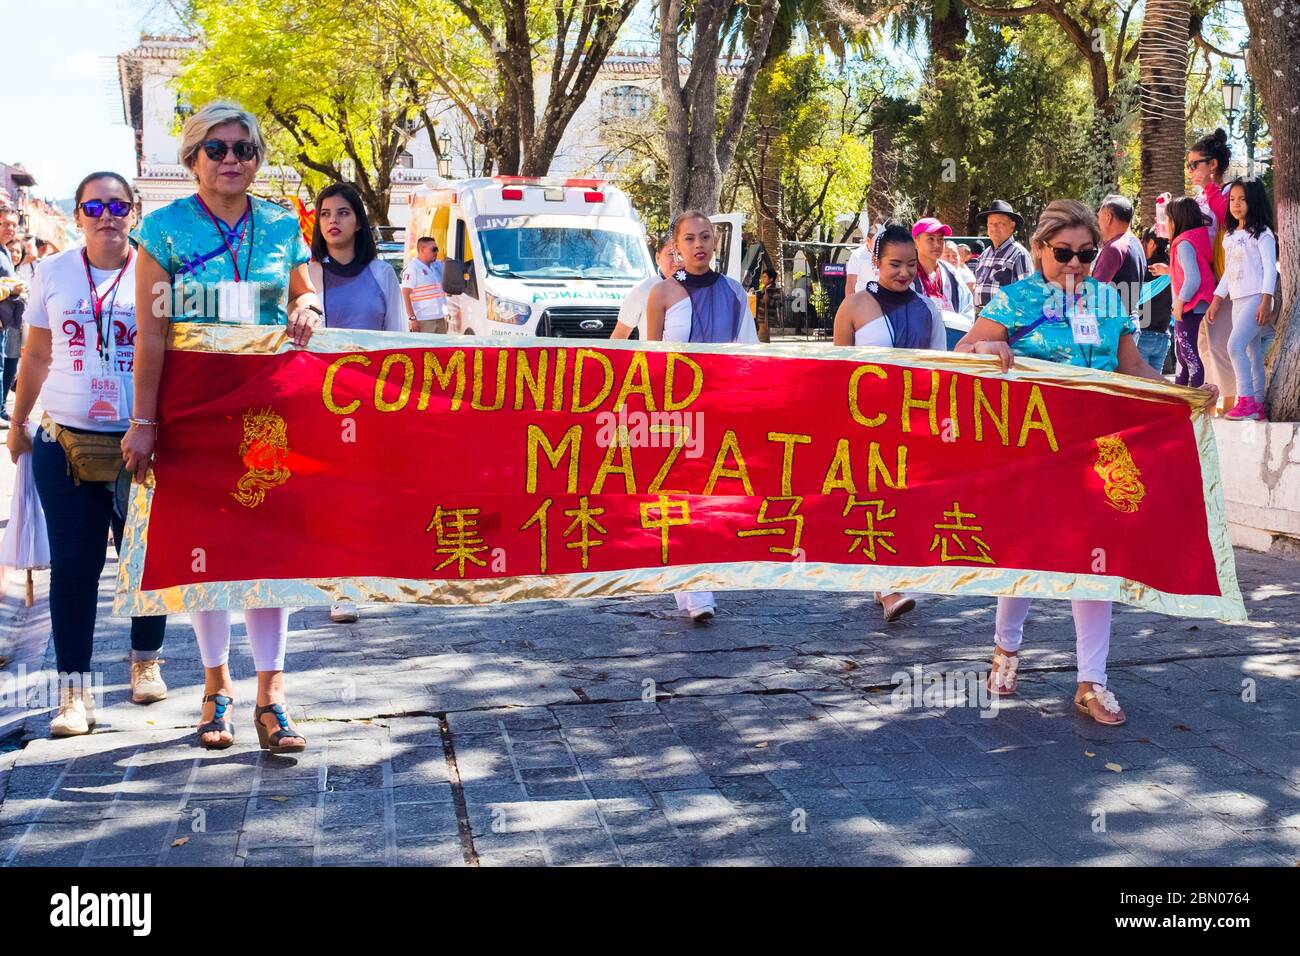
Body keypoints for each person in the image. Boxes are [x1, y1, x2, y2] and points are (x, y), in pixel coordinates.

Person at [954, 199, 1217, 726]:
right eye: (1062, 254)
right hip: (1033, 456)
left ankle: (1092, 682)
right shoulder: (1013, 300)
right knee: (1022, 557)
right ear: (1039, 250)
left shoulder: (1108, 299)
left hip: (1100, 452)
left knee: (1097, 565)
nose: (1074, 265)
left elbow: (1134, 366)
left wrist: (1182, 394)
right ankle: (1006, 652)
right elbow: (963, 348)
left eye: (1085, 254)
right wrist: (985, 352)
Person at [123, 100, 319, 753]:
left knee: (272, 553)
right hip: (193, 410)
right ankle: (216, 689)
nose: (232, 160)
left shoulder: (281, 222)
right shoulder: (164, 228)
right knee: (204, 554)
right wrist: (144, 420)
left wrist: (310, 304)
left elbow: (302, 293)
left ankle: (274, 696)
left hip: (269, 407)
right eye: (218, 149)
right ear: (192, 158)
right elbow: (150, 332)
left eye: (245, 149)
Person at [6, 172, 169, 736]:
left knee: (144, 559)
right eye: (94, 205)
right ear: (77, 215)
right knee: (75, 569)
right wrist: (19, 421)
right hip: (66, 441)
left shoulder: (154, 270)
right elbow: (34, 354)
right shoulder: (52, 273)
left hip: (140, 442)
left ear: (134, 212)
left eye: (117, 205)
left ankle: (145, 660)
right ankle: (72, 694)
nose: (107, 215)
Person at [646, 209, 759, 623]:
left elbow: (750, 352)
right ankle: (695, 589)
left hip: (723, 409)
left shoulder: (733, 291)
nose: (699, 245)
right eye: (690, 238)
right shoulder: (660, 295)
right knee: (681, 498)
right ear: (676, 246)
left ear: (716, 243)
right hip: (677, 413)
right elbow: (650, 360)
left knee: (713, 500)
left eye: (706, 237)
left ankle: (696, 580)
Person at [833, 224, 947, 624]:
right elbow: (835, 370)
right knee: (875, 497)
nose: (903, 272)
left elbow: (941, 370)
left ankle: (886, 577)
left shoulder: (928, 309)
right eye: (894, 264)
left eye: (911, 265)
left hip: (911, 422)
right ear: (876, 262)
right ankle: (888, 586)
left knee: (904, 501)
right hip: (865, 422)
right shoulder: (853, 306)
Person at [307, 182, 405, 624]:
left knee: (359, 492)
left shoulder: (383, 275)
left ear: (359, 221)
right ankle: (333, 579)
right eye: (325, 212)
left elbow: (398, 343)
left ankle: (354, 580)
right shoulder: (305, 274)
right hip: (315, 401)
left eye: (343, 212)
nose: (333, 221)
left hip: (368, 402)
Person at [1208, 178, 1277, 421]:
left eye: (1243, 199)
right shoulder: (1230, 235)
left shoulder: (1263, 235)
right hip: (1237, 301)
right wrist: (1217, 299)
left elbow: (1270, 269)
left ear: (1254, 201)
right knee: (1251, 353)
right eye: (1232, 200)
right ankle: (1257, 405)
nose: (1236, 204)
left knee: (1233, 346)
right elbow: (1229, 271)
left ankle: (1245, 399)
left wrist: (1266, 301)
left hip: (1256, 299)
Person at [1187, 129, 1236, 414]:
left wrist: (1208, 188)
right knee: (1204, 345)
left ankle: (1230, 401)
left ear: (1212, 164)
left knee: (1219, 345)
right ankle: (1213, 399)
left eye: (1195, 164)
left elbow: (1227, 219)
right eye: (1189, 165)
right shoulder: (1204, 197)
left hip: (1226, 281)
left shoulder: (1229, 193)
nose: (1191, 170)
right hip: (1206, 283)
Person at [1168, 197, 1216, 389]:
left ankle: (1194, 399)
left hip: (1190, 306)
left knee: (1188, 354)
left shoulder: (1184, 244)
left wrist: (1179, 303)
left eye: (1168, 219)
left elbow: (1193, 279)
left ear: (1176, 220)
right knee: (1183, 354)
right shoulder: (1195, 239)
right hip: (1196, 305)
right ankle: (1181, 396)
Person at [971, 200, 1032, 311]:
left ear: (1012, 226)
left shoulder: (1019, 254)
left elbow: (1026, 295)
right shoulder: (984, 255)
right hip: (980, 319)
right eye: (990, 224)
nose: (994, 228)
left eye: (1000, 223)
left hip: (1004, 322)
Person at [611, 240, 676, 341]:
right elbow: (619, 336)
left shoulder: (699, 291)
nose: (677, 259)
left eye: (681, 253)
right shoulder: (642, 290)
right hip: (652, 355)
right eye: (671, 254)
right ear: (658, 258)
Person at [911, 218, 972, 316]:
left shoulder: (951, 272)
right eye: (930, 239)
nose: (937, 244)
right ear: (915, 242)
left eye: (941, 239)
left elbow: (967, 307)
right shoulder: (906, 274)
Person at [1139, 228, 1173, 375]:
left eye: (1143, 240)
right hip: (1164, 336)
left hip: (1143, 335)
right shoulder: (1172, 268)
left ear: (1151, 243)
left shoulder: (1145, 268)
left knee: (1140, 389)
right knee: (1155, 389)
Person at [402, 237, 446, 333]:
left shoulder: (437, 266)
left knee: (440, 348)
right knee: (426, 348)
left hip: (440, 318)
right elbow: (405, 293)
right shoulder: (413, 268)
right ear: (422, 250)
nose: (436, 252)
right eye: (433, 249)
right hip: (423, 320)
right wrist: (412, 318)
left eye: (437, 249)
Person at [844, 218, 878, 294]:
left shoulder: (885, 254)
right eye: (876, 242)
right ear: (868, 240)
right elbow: (851, 283)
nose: (879, 245)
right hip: (863, 301)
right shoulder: (857, 255)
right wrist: (851, 304)